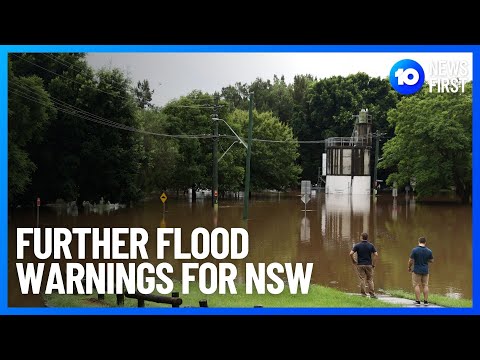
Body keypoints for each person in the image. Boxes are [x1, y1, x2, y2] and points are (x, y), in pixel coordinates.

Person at [349, 232, 378, 298]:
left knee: (362, 279)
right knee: (370, 279)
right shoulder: (371, 245)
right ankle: (372, 294)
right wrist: (373, 264)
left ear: (361, 237)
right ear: (367, 238)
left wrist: (353, 260)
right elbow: (376, 254)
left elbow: (350, 253)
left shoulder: (357, 245)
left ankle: (363, 294)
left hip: (360, 265)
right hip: (369, 265)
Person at [408, 236, 434, 306]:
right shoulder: (429, 251)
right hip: (425, 270)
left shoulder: (414, 250)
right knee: (425, 285)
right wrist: (425, 260)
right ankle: (426, 302)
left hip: (416, 270)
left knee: (416, 285)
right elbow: (431, 260)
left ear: (418, 242)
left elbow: (410, 260)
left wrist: (409, 267)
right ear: (425, 242)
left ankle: (418, 301)